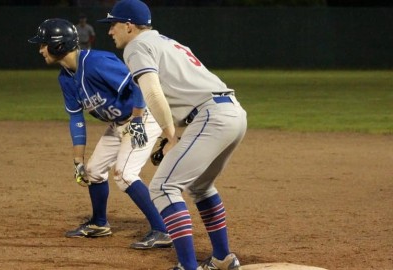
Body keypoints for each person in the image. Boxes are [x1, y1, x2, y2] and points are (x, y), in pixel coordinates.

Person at [98, 0, 247, 269]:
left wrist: (171, 136)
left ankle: (188, 267)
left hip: (210, 116)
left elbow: (153, 93)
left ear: (129, 26)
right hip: (233, 113)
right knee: (200, 187)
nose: (110, 31)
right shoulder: (166, 42)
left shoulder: (136, 46)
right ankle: (223, 258)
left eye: (113, 24)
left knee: (163, 187)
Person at [28, 18, 173, 250]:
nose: (40, 49)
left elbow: (138, 83)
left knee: (125, 174)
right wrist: (78, 161)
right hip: (118, 123)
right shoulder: (66, 77)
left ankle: (163, 230)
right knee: (93, 172)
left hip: (143, 116)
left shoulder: (96, 62)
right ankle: (99, 223)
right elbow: (76, 119)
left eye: (44, 44)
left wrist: (136, 119)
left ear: (58, 45)